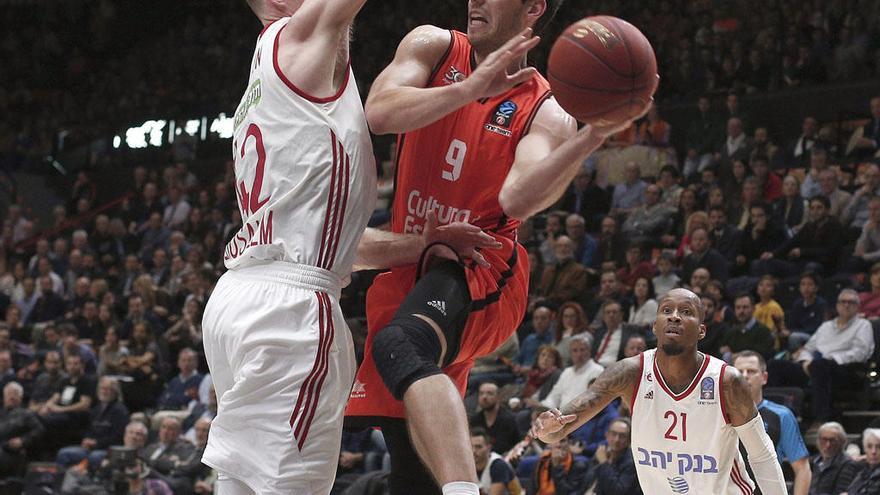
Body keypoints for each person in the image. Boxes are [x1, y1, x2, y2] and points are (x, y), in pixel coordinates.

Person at [345, 1, 650, 493]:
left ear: (532, 8)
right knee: (410, 466)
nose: (475, 0)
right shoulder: (433, 45)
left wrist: (594, 134)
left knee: (401, 344)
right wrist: (469, 89)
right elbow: (379, 112)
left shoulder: (545, 108)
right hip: (415, 266)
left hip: (482, 269)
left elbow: (519, 197)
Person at [200, 1, 496, 494]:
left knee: (244, 484)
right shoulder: (298, 42)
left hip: (246, 297)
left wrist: (423, 244)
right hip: (290, 312)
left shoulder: (269, 72)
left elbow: (340, 246)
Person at [531, 288, 788, 494]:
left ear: (701, 330)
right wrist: (546, 429)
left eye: (686, 312)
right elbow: (559, 429)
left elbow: (761, 454)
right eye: (666, 310)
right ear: (655, 326)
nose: (674, 316)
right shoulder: (629, 373)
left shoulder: (726, 381)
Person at [732, 351, 811, 495]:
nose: (744, 376)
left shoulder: (782, 415)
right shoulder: (717, 413)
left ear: (764, 377)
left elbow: (802, 468)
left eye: (751, 371)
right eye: (739, 372)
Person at [583, 417, 642, 495]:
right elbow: (587, 482)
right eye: (613, 434)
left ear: (629, 439)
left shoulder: (632, 462)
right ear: (606, 434)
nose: (616, 439)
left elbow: (617, 491)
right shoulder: (601, 453)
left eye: (622, 436)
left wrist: (604, 463)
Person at [469, 382, 520, 456]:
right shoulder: (475, 419)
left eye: (489, 393)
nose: (484, 397)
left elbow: (503, 447)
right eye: (481, 393)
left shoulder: (508, 419)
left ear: (498, 397)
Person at [809, 422, 859, 494]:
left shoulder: (847, 465)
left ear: (841, 442)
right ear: (818, 441)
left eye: (832, 441)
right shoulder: (811, 463)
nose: (828, 445)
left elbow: (841, 491)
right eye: (824, 439)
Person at [470, 428, 521, 495]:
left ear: (489, 447)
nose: (474, 451)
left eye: (478, 447)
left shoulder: (499, 465)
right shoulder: (469, 466)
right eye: (471, 447)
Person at [846, 428, 880, 495]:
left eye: (879, 447)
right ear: (865, 449)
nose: (873, 451)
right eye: (869, 447)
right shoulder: (862, 471)